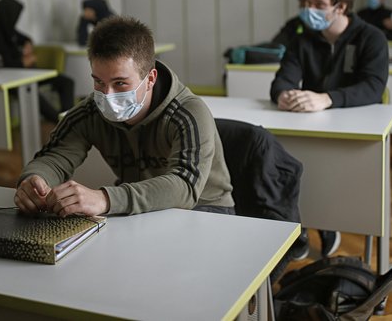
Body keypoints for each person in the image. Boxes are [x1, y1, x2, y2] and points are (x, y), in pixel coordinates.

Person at [15, 15, 235, 217]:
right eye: (99, 82)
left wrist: (106, 198)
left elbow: (184, 187)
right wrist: (35, 181)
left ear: (150, 79)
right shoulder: (90, 111)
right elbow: (55, 156)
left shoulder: (189, 113)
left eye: (120, 83)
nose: (107, 95)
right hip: (140, 209)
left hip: (205, 209)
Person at [270, 0, 389, 259]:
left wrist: (327, 99)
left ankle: (329, 224)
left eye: (319, 5)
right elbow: (282, 80)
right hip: (309, 121)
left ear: (341, 7)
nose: (309, 10)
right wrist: (284, 94)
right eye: (308, 2)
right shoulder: (303, 37)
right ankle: (300, 224)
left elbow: (373, 87)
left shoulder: (371, 38)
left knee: (333, 179)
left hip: (355, 126)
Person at [0, 0, 75, 124]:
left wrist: (28, 44)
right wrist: (23, 62)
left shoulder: (8, 30)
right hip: (9, 81)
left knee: (66, 82)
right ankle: (62, 123)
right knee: (30, 92)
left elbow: (25, 38)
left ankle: (69, 118)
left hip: (26, 74)